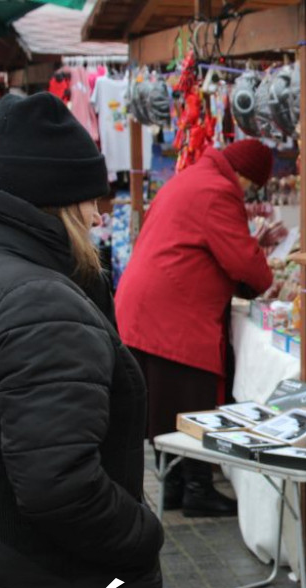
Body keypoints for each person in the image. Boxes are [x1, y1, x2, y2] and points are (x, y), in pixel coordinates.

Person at [0, 93, 173, 588]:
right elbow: (60, 485)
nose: (101, 217)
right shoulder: (39, 301)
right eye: (93, 201)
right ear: (60, 204)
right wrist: (142, 535)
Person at [115, 139, 274, 517]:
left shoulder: (193, 179)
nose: (250, 195)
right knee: (190, 399)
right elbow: (243, 261)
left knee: (164, 402)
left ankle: (173, 485)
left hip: (148, 304)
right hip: (171, 309)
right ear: (244, 175)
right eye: (253, 186)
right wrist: (260, 270)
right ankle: (197, 490)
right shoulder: (218, 191)